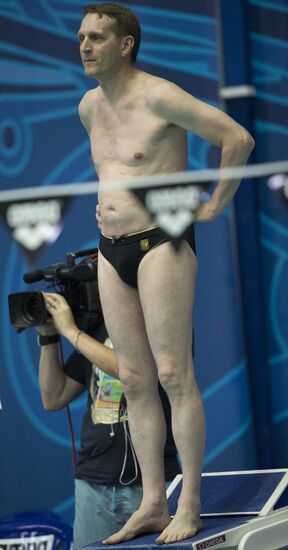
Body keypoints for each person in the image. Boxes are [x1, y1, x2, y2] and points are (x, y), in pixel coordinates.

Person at [75, 3, 255, 545]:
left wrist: (217, 203)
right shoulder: (88, 106)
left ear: (125, 44)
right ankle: (154, 502)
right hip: (110, 249)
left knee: (174, 373)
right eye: (81, 36)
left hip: (161, 243)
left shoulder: (160, 96)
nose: (84, 45)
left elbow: (238, 138)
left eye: (97, 37)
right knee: (133, 379)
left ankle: (190, 505)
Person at [37, 293, 180, 548]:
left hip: (154, 483)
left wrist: (71, 331)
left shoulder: (162, 321)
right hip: (94, 484)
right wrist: (49, 337)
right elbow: (53, 397)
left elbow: (130, 371)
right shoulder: (93, 333)